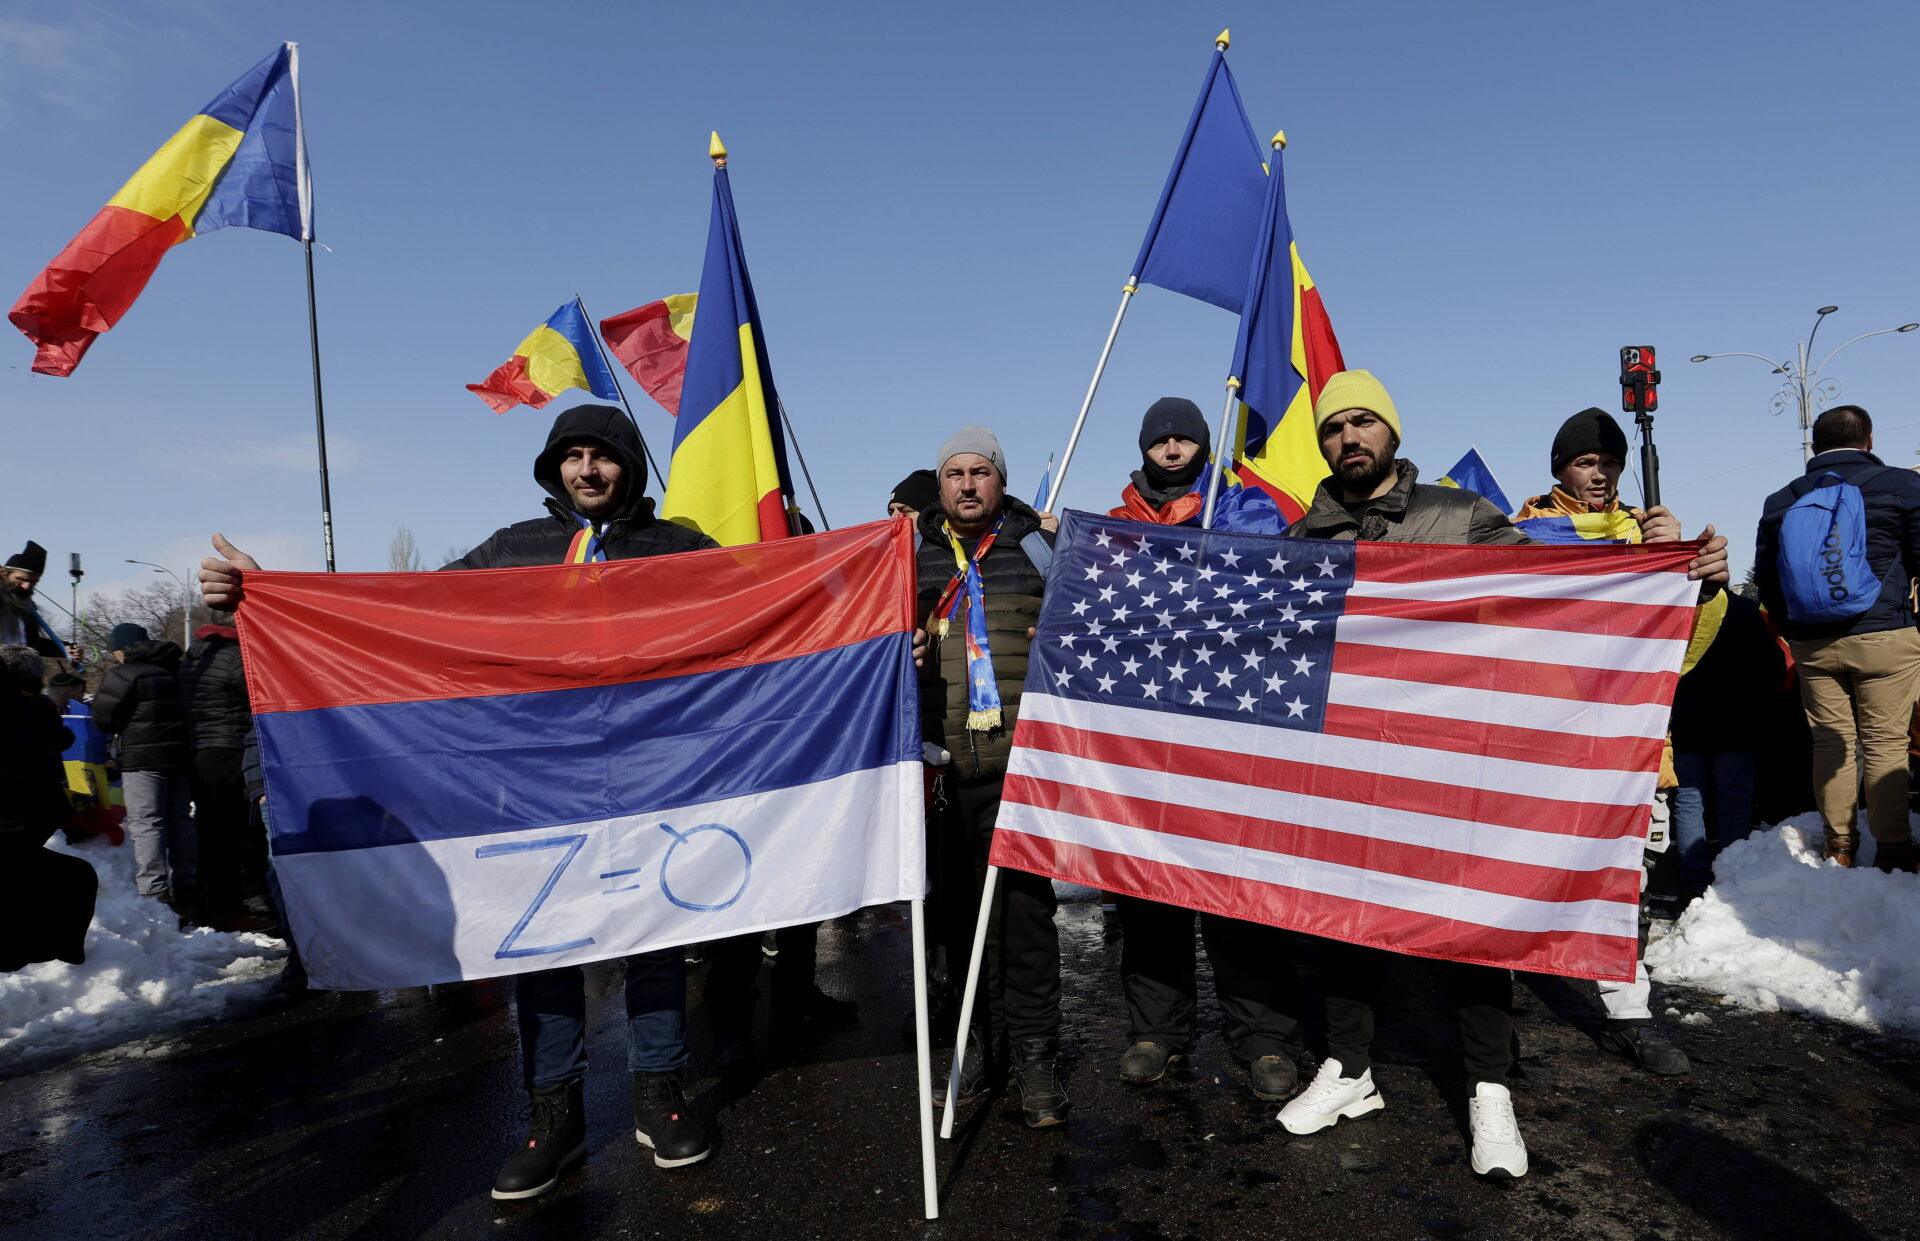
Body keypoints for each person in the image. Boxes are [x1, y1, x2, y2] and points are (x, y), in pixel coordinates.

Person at [199, 403, 717, 1200]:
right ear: (553, 468)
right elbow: (394, 622)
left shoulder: (679, 549)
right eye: (572, 455)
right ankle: (554, 1113)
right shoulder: (511, 550)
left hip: (653, 781)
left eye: (602, 456)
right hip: (536, 788)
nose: (587, 470)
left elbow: (769, 621)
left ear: (631, 467)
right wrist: (266, 599)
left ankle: (659, 1093)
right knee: (542, 948)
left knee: (654, 937)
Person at [1272, 371, 1727, 1179]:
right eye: (1335, 424)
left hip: (1453, 759)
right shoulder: (1305, 538)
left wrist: (1671, 572)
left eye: (1365, 420)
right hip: (1351, 768)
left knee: (1473, 926)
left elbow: (1564, 604)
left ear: (1392, 431)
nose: (1350, 436)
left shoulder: (1458, 514)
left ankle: (1489, 1087)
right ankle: (1350, 1069)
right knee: (1343, 924)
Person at [1104, 398, 1305, 1101]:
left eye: (1184, 433)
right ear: (1143, 445)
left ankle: (1264, 1038)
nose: (1170, 444)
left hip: (1229, 735)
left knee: (1238, 894)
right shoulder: (1115, 528)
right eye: (1158, 435)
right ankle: (1157, 1029)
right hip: (1145, 742)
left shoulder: (1242, 509)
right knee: (1149, 897)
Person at [1514, 406, 1717, 1077]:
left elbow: (1685, 651)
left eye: (1609, 462)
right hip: (1540, 738)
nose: (1599, 474)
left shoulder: (1647, 533)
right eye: (1585, 461)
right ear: (1561, 468)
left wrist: (1694, 575)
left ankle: (1628, 1011)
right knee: (1519, 870)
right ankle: (1494, 997)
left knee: (1622, 884)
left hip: (1625, 745)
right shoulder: (1520, 532)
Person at [918, 425, 1069, 1128]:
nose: (969, 484)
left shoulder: (1038, 548)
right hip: (944, 773)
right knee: (952, 921)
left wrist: (1058, 640)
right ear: (940, 483)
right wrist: (902, 650)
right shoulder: (913, 557)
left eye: (982, 471)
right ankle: (976, 1040)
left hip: (1023, 769)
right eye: (957, 472)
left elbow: (1088, 623)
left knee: (1026, 917)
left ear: (1000, 481)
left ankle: (1037, 1052)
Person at [1754, 405, 1920, 873]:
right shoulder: (1903, 487)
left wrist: (1795, 630)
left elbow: (1768, 577)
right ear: (1869, 440)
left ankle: (1840, 845)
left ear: (1814, 447)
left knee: (1831, 743)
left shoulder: (1782, 500)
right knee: (1886, 742)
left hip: (1813, 644)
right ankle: (1893, 848)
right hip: (1886, 634)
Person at [1668, 591, 1786, 889]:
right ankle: (1731, 879)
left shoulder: (1676, 608)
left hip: (1688, 722)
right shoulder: (1744, 610)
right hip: (1736, 724)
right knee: (1733, 800)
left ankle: (1693, 882)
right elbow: (1772, 666)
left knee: (1689, 800)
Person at [0, 646, 98, 973]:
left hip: (25, 814)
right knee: (73, 878)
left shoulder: (28, 709)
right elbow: (59, 739)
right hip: (23, 814)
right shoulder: (34, 709)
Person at [91, 622, 194, 913]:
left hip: (141, 760)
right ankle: (188, 883)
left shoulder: (123, 673)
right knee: (180, 820)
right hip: (179, 756)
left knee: (147, 823)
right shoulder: (176, 668)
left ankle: (154, 892)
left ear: (121, 650)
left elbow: (102, 717)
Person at [179, 617, 271, 929]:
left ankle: (214, 902)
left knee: (211, 831)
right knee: (242, 830)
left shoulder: (195, 656)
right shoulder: (234, 656)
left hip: (201, 752)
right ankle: (236, 903)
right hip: (231, 749)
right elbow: (258, 698)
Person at [1, 541, 63, 659]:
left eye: (34, 582)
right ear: (4, 574)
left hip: (23, 671)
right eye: (21, 579)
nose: (26, 586)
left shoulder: (27, 606)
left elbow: (32, 644)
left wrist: (65, 649)